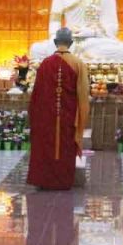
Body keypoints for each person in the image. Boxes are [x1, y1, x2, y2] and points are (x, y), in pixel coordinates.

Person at [27, 28, 90, 190]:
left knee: (46, 145)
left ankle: (44, 180)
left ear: (55, 42)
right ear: (71, 43)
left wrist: (34, 117)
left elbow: (36, 94)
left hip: (45, 116)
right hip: (68, 116)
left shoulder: (45, 63)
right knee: (65, 146)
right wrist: (81, 116)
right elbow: (83, 95)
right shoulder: (78, 64)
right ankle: (62, 181)